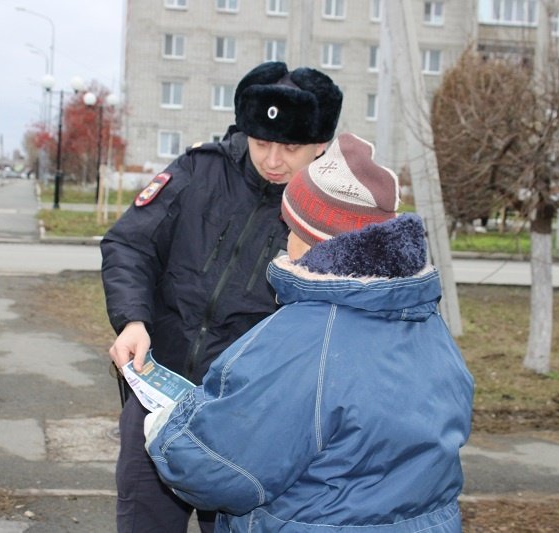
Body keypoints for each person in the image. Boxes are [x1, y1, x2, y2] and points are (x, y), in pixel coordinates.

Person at [144, 132, 475, 532]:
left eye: (290, 226)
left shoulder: (301, 337)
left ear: (308, 237)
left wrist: (163, 428)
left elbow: (219, 473)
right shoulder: (428, 323)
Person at [100, 61, 343, 532]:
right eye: (261, 142)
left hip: (248, 419)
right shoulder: (199, 170)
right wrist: (132, 320)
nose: (273, 160)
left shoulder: (328, 212)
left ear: (320, 146)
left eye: (290, 147)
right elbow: (129, 244)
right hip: (158, 397)